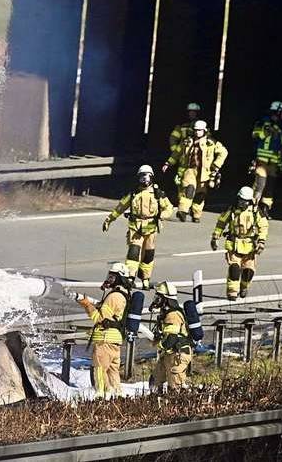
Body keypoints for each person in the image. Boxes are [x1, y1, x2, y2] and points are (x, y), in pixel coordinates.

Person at [102, 165, 175, 288]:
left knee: (148, 255)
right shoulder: (133, 194)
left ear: (151, 177)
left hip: (151, 228)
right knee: (133, 253)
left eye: (146, 176)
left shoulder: (158, 194)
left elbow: (169, 208)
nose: (144, 179)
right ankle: (130, 277)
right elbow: (120, 207)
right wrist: (109, 220)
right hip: (135, 228)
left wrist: (163, 215)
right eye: (142, 176)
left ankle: (145, 278)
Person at [72, 263, 134, 399]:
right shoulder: (123, 295)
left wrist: (87, 305)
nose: (109, 280)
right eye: (109, 277)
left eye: (112, 277)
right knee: (113, 371)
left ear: (120, 279)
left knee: (100, 370)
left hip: (105, 340)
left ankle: (102, 396)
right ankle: (117, 396)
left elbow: (99, 318)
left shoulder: (113, 297)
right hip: (115, 340)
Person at [162, 119, 227, 223]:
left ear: (204, 131)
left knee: (200, 195)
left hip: (205, 172)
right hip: (190, 170)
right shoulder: (187, 141)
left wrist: (216, 166)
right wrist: (168, 163)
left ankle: (196, 214)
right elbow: (177, 153)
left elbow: (223, 152)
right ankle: (182, 211)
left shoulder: (211, 143)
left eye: (200, 130)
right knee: (189, 189)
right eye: (196, 130)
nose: (197, 132)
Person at [211, 186, 269, 300]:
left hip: (250, 246)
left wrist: (261, 241)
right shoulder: (231, 210)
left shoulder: (255, 212)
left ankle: (244, 286)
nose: (242, 203)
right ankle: (232, 292)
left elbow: (263, 226)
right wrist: (215, 237)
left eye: (245, 201)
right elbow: (221, 223)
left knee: (248, 271)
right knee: (234, 269)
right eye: (241, 200)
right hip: (234, 244)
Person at [149, 281, 194, 391]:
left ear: (166, 299)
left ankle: (178, 406)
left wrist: (159, 344)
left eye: (158, 298)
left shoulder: (173, 315)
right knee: (155, 381)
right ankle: (155, 405)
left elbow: (171, 338)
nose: (156, 301)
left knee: (175, 388)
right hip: (169, 354)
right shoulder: (166, 314)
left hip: (178, 356)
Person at [250, 101, 282, 210]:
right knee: (259, 185)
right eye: (281, 113)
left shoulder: (281, 127)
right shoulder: (262, 123)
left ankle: (265, 208)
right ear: (276, 112)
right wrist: (267, 131)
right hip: (262, 161)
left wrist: (280, 161)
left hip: (274, 162)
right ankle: (251, 207)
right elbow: (255, 136)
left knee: (270, 187)